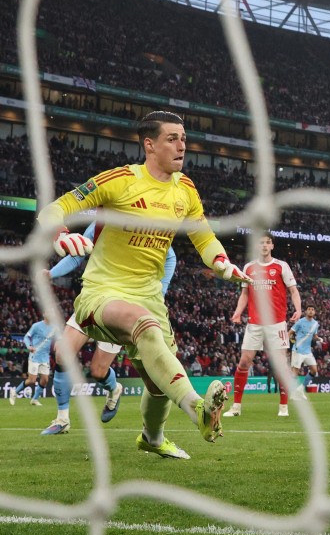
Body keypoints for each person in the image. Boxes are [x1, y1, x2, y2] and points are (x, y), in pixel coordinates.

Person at [36, 110, 247, 459]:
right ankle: (199, 409)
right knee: (140, 324)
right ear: (149, 144)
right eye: (172, 138)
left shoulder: (186, 190)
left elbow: (204, 237)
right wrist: (60, 234)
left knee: (158, 384)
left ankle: (152, 437)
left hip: (150, 297)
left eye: (183, 138)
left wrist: (222, 263)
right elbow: (57, 208)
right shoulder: (119, 180)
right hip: (103, 293)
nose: (182, 145)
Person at [40, 223, 177, 435]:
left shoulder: (148, 229)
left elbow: (170, 257)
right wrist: (51, 273)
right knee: (61, 352)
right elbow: (78, 255)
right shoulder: (100, 225)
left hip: (121, 309)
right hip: (93, 299)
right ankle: (62, 418)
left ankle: (114, 389)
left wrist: (161, 291)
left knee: (98, 371)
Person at [228, 235, 302, 418]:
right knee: (244, 361)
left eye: (267, 242)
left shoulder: (281, 266)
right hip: (254, 323)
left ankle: (283, 406)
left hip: (276, 324)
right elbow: (245, 294)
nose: (264, 245)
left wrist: (298, 310)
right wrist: (238, 312)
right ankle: (236, 406)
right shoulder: (249, 267)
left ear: (272, 246)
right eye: (260, 242)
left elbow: (293, 290)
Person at [9, 314, 54, 406]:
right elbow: (26, 337)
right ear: (45, 315)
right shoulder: (36, 326)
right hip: (35, 356)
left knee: (45, 380)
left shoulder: (54, 327)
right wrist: (29, 346)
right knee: (32, 380)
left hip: (45, 357)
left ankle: (35, 399)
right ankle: (14, 392)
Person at [290, 305, 320, 398]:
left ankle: (300, 389)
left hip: (307, 351)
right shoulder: (300, 322)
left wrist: (319, 339)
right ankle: (292, 392)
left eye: (312, 309)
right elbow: (290, 332)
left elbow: (314, 336)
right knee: (295, 372)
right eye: (309, 309)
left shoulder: (316, 324)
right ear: (306, 312)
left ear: (314, 312)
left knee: (314, 370)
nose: (311, 311)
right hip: (298, 350)